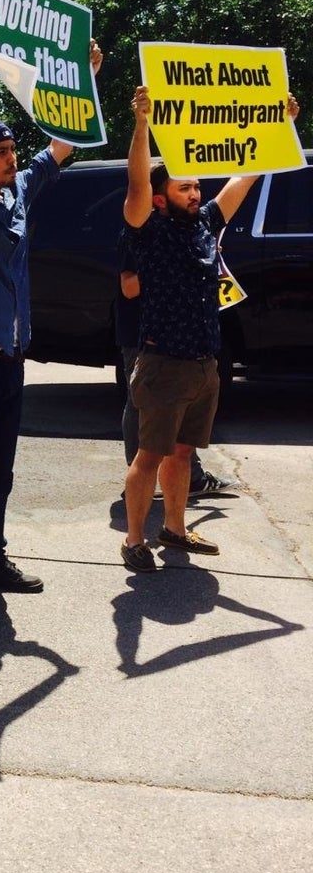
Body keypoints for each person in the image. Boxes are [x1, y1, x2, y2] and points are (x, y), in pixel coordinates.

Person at [0, 41, 104, 623]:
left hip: (10, 360)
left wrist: (83, 81)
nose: (11, 159)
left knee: (0, 471)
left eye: (11, 150)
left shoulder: (16, 193)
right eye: (0, 153)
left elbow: (59, 148)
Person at [121, 84, 299, 572]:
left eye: (197, 186)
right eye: (184, 187)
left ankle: (175, 530)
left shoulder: (204, 223)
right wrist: (141, 125)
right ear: (161, 199)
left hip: (204, 363)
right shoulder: (147, 228)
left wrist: (278, 127)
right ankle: (134, 540)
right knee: (149, 456)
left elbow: (243, 179)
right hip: (163, 363)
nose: (196, 193)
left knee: (182, 453)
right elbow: (137, 184)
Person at [116, 238, 238, 494]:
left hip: (178, 334)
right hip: (142, 333)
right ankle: (139, 479)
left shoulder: (183, 231)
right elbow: (128, 287)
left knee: (182, 404)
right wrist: (177, 259)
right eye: (183, 193)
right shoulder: (141, 230)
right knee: (139, 403)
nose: (193, 196)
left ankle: (192, 479)